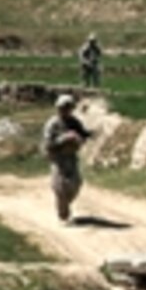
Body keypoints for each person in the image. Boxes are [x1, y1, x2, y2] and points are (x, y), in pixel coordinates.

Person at [42, 94, 92, 224]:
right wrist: (64, 139)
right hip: (58, 158)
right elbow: (48, 143)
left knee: (76, 184)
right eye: (63, 108)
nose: (65, 110)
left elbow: (83, 133)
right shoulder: (52, 124)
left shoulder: (74, 122)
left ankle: (65, 205)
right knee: (59, 186)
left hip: (71, 156)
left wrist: (84, 136)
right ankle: (63, 213)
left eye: (68, 107)